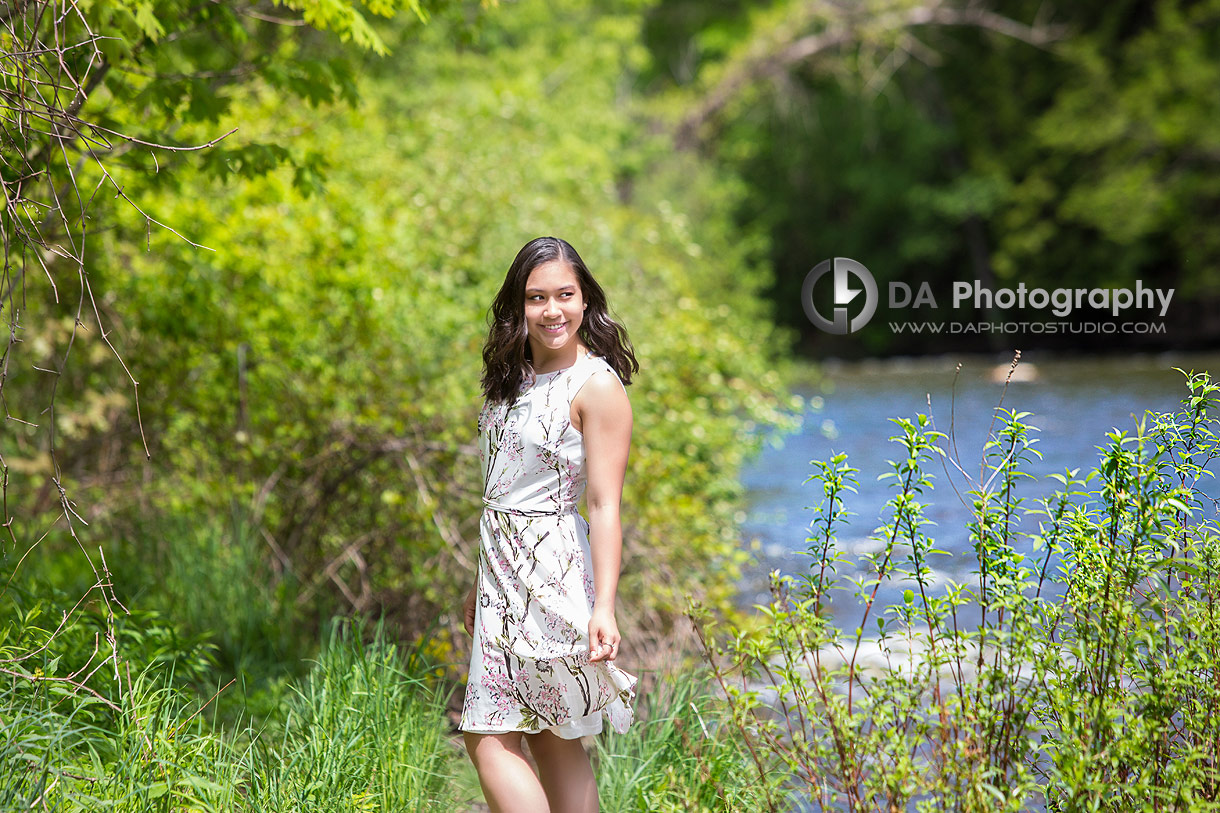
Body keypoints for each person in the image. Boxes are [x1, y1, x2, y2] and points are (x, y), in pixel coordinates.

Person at [459, 236, 639, 812]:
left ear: (586, 300)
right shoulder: (511, 380)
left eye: (565, 294)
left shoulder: (597, 386)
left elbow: (605, 504)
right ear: (519, 306)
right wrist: (482, 582)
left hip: (550, 575)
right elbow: (502, 489)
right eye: (537, 298)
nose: (552, 310)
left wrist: (604, 606)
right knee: (546, 732)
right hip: (502, 576)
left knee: (487, 736)